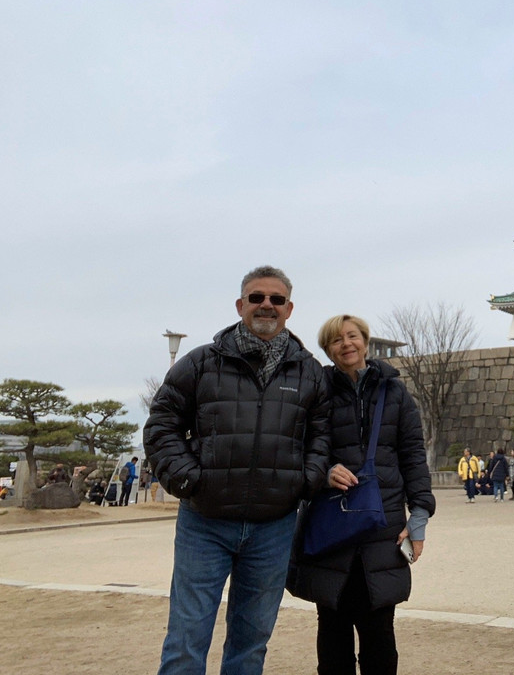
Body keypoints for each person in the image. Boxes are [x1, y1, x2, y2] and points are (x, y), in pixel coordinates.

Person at [143, 265, 331, 675]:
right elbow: (162, 425)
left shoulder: (309, 371)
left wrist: (305, 482)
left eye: (276, 299)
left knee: (252, 641)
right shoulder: (200, 363)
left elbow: (322, 436)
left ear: (290, 308)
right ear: (240, 304)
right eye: (257, 297)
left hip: (274, 524)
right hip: (204, 521)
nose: (267, 305)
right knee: (186, 638)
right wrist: (188, 479)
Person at [289, 314, 435, 675]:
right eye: (336, 340)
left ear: (366, 342)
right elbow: (295, 447)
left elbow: (413, 456)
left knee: (380, 629)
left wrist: (419, 516)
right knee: (332, 626)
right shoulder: (317, 391)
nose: (346, 344)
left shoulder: (395, 392)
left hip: (382, 523)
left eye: (352, 336)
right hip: (331, 521)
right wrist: (322, 473)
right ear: (327, 350)